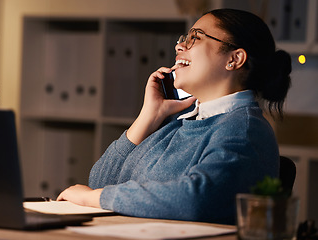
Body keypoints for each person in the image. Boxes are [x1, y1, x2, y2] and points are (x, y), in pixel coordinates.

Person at [56, 8, 292, 224]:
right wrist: (148, 117)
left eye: (195, 38)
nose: (179, 47)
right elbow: (100, 182)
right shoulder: (181, 122)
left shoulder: (244, 129)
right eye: (183, 39)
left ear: (234, 59)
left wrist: (93, 198)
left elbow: (195, 199)